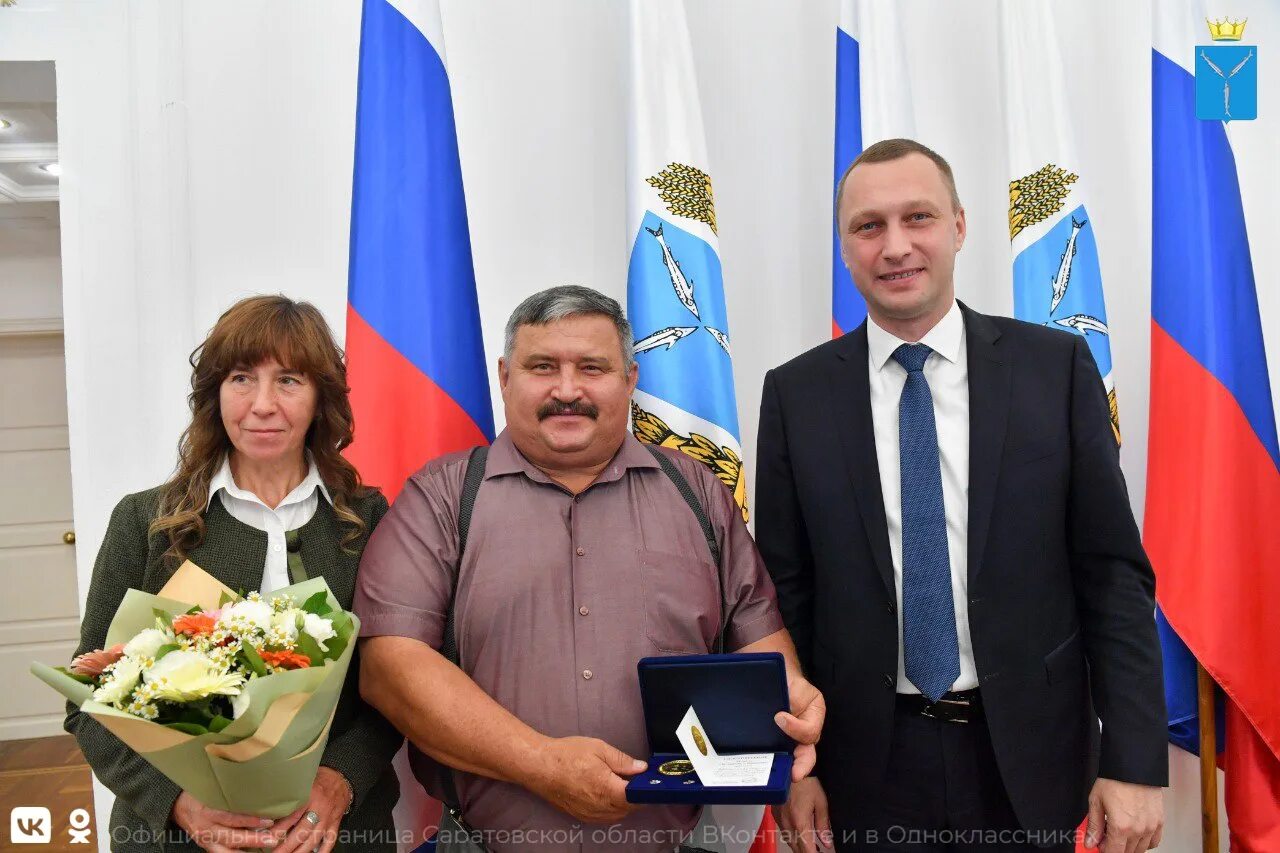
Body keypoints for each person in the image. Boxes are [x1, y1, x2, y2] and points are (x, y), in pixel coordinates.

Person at [756, 140, 1167, 853]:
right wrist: (792, 768)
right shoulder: (796, 394)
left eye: (918, 217)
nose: (895, 246)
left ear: (959, 226)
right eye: (868, 226)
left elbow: (1111, 576)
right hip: (862, 768)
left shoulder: (1056, 370)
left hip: (1029, 758)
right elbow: (781, 596)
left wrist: (1133, 760)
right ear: (845, 246)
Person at [354, 285, 824, 853]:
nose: (567, 390)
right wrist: (542, 764)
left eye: (592, 368)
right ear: (505, 377)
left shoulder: (698, 492)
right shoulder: (443, 498)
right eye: (542, 366)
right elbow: (389, 667)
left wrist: (791, 700)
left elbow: (759, 644)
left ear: (629, 379)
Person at [66, 295, 402, 853]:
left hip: (338, 836)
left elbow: (403, 685)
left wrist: (341, 779)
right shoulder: (144, 522)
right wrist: (176, 801)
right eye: (242, 378)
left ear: (321, 398)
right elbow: (88, 698)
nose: (263, 405)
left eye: (289, 380)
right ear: (214, 394)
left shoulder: (369, 522)